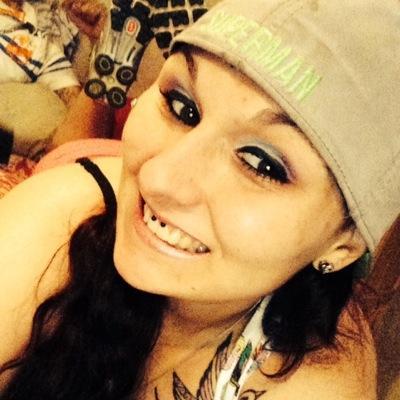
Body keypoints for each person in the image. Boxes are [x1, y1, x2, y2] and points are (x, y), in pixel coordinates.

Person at [0, 0, 399, 399]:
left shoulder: (317, 381)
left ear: (342, 245)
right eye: (182, 107)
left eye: (261, 164)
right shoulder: (63, 215)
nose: (158, 179)